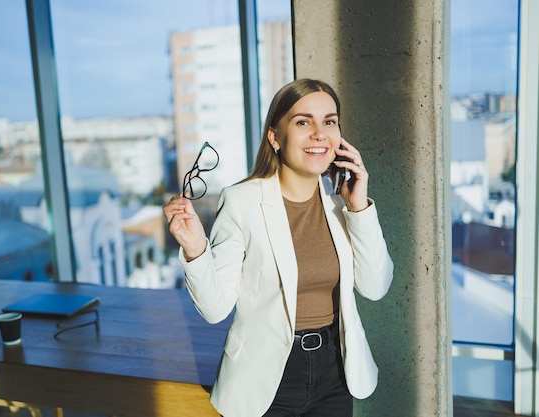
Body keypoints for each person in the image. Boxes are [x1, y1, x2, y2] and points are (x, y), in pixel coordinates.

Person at [163, 78, 394, 417]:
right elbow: (215, 310)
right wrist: (196, 248)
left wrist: (359, 208)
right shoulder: (241, 201)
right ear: (275, 136)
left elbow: (375, 287)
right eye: (303, 122)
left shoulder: (340, 202)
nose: (319, 133)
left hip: (335, 371)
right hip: (266, 378)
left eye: (329, 121)